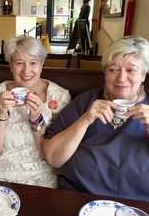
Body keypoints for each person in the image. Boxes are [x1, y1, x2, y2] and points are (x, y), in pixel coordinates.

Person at [43, 36, 149, 201]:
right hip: (79, 197)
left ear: (143, 75)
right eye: (113, 69)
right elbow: (53, 157)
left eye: (131, 70)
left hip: (136, 204)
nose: (121, 78)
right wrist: (85, 120)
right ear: (105, 73)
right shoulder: (87, 101)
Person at [0, 35, 71, 188]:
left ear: (41, 66)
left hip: (42, 174)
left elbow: (53, 156)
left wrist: (36, 119)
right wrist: (1, 114)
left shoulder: (60, 96)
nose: (26, 70)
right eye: (19, 63)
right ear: (11, 67)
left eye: (33, 63)